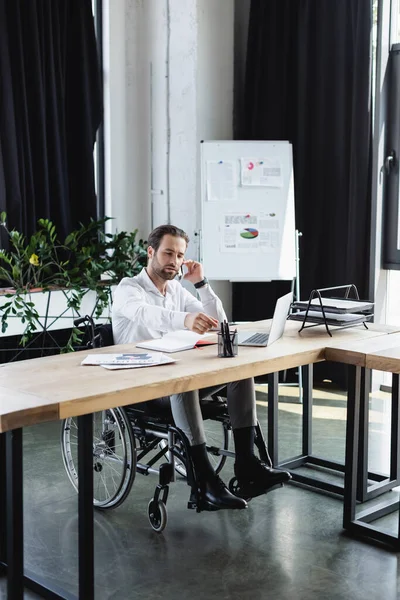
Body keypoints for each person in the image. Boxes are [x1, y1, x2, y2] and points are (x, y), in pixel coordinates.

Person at [112, 224, 291, 511]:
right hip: (142, 385)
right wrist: (183, 320)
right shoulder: (128, 289)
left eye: (180, 255)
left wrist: (201, 284)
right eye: (168, 253)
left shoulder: (176, 290)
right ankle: (204, 483)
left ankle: (247, 467)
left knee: (239, 371)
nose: (174, 261)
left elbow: (220, 323)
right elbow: (145, 314)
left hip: (175, 372)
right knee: (184, 382)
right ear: (150, 252)